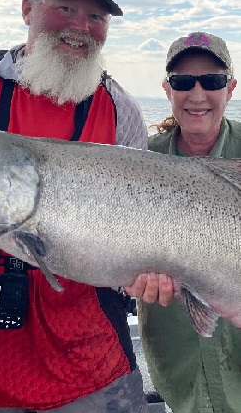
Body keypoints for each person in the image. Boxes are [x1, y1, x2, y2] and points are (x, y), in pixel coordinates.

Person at [0, 0, 150, 412]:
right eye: (66, 9)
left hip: (90, 356)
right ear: (26, 10)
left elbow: (142, 218)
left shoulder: (120, 108)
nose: (81, 26)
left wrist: (149, 274)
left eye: (96, 16)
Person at [124, 31, 241, 412]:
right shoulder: (136, 159)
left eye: (212, 81)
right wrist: (127, 282)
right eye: (182, 82)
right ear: (167, 89)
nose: (196, 94)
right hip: (178, 360)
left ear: (231, 88)